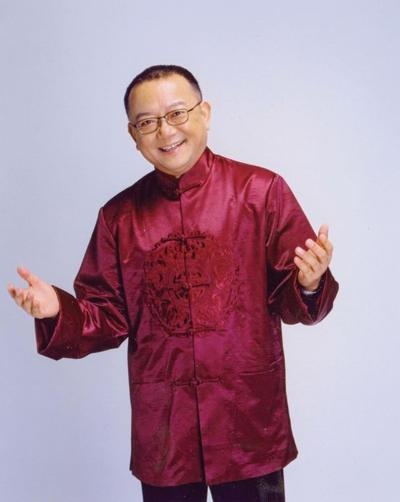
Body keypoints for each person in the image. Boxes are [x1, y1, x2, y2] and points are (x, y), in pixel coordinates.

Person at [8, 65, 339, 502]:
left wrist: (310, 282)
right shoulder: (118, 217)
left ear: (205, 113)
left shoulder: (261, 192)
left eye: (177, 113)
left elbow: (293, 299)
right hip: (166, 426)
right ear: (133, 134)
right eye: (147, 122)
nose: (165, 131)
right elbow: (106, 316)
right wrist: (58, 310)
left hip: (247, 417)